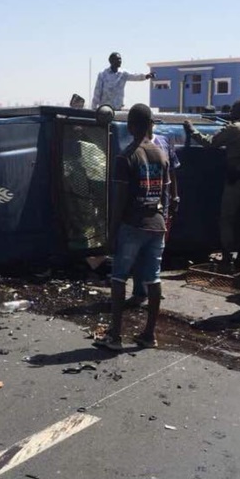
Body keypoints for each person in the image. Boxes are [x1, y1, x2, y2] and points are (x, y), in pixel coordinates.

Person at [98, 103, 169, 351]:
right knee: (153, 279)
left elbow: (119, 199)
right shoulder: (161, 155)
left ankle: (115, 336)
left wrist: (111, 232)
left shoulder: (125, 156)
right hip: (157, 224)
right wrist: (165, 224)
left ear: (129, 126)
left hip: (131, 224)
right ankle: (149, 335)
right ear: (151, 124)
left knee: (119, 278)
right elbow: (166, 194)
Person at [183, 99, 240, 270]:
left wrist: (192, 130)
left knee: (227, 218)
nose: (230, 111)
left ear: (239, 110)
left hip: (234, 180)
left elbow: (209, 143)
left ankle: (226, 256)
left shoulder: (233, 128)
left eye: (233, 108)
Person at [129, 122, 180, 306]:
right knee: (139, 249)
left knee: (156, 249)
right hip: (141, 206)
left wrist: (175, 196)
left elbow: (172, 171)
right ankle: (139, 291)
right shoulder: (134, 146)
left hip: (161, 204)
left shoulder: (164, 142)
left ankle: (153, 287)